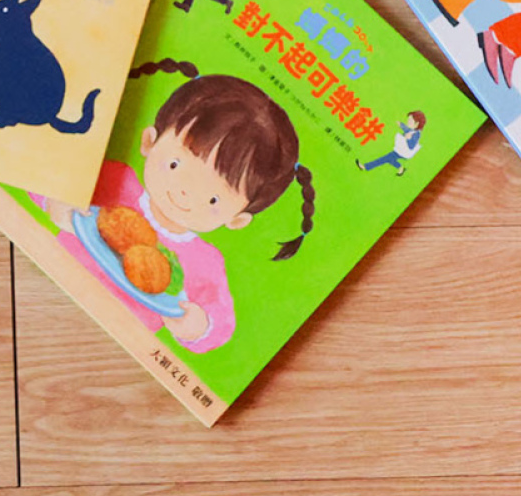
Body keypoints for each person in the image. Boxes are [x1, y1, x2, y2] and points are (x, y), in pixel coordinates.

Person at [43, 58, 316, 353]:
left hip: (115, 340)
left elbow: (220, 324)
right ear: (149, 141)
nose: (185, 192)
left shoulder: (206, 262)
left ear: (237, 219)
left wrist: (197, 325)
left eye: (213, 199)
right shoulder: (116, 178)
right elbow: (49, 176)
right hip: (49, 284)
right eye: (175, 164)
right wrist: (56, 201)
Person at [357, 110, 427, 176]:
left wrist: (408, 139)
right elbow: (407, 129)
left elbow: (411, 146)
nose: (408, 121)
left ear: (417, 124)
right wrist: (401, 125)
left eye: (410, 121)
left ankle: (365, 167)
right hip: (401, 150)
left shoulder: (417, 134)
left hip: (404, 152)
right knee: (388, 159)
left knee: (385, 158)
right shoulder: (412, 130)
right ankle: (401, 168)